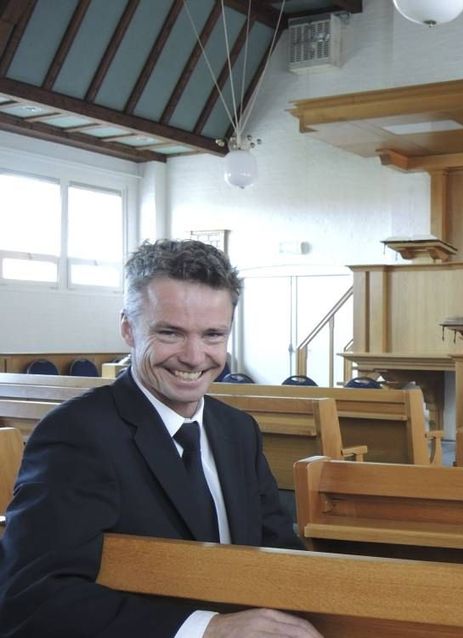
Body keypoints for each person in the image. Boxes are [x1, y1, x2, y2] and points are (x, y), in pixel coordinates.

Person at [0, 240, 322, 638]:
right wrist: (209, 630)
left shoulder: (238, 430)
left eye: (213, 335)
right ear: (128, 329)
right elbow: (33, 599)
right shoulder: (77, 435)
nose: (194, 356)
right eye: (170, 333)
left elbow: (279, 552)